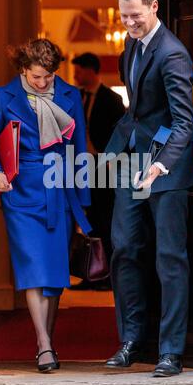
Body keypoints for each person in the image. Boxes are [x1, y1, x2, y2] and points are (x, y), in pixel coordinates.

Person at [104, 0, 193, 376]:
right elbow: (135, 112)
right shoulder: (129, 46)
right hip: (131, 161)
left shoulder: (173, 55)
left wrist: (160, 164)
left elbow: (183, 123)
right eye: (124, 17)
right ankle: (130, 340)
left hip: (166, 169)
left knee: (169, 257)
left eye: (136, 17)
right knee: (124, 247)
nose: (129, 24)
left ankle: (171, 351)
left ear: (154, 7)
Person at [0, 39, 91, 372]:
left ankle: (48, 340)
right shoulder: (4, 97)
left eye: (48, 76)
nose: (43, 83)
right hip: (21, 192)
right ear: (23, 69)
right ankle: (44, 344)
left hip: (60, 189)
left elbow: (78, 151)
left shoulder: (71, 95)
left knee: (55, 274)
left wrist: (82, 205)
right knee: (33, 268)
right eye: (36, 77)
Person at [70, 53, 125, 290]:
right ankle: (89, 273)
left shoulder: (111, 99)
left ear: (91, 70)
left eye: (79, 70)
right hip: (80, 165)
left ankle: (107, 276)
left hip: (103, 165)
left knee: (105, 220)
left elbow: (120, 133)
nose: (76, 75)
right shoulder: (75, 97)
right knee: (87, 220)